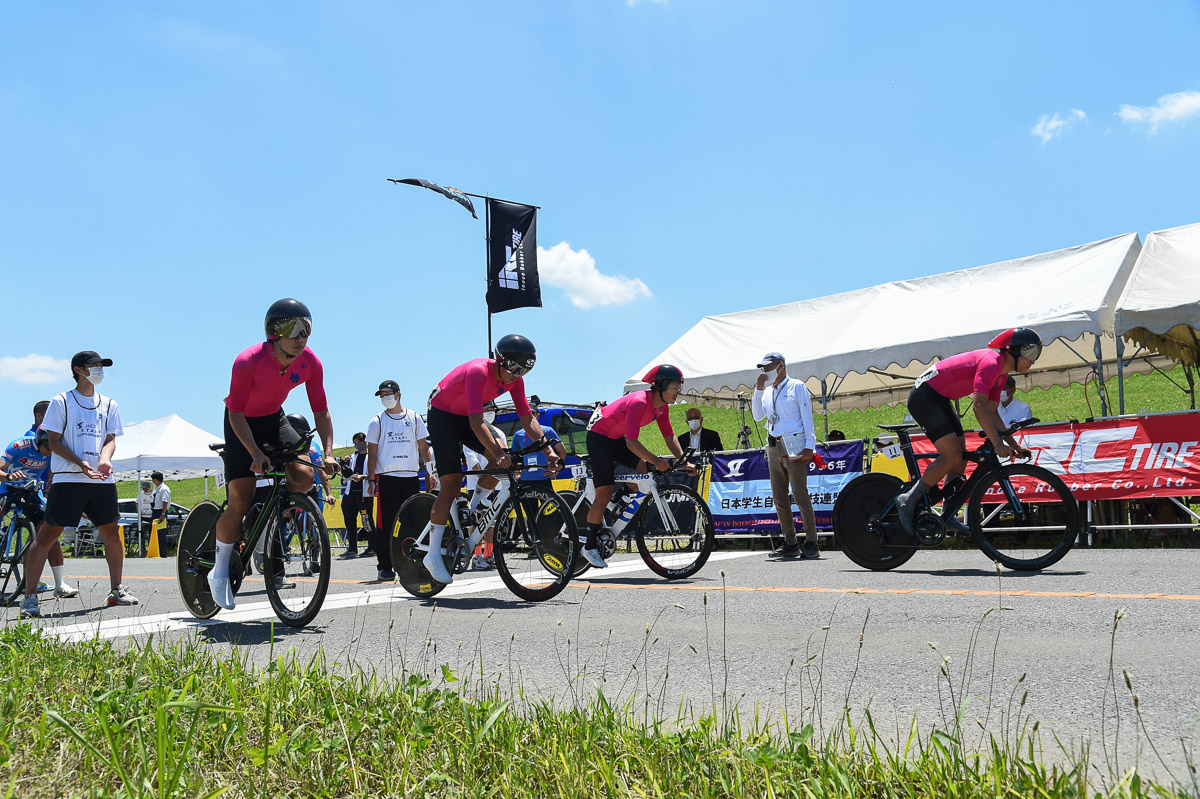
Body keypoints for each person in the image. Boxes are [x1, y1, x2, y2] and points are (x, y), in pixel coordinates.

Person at [209, 299, 336, 611]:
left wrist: (329, 453)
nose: (303, 336)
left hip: (273, 419)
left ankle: (279, 510)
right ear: (275, 333)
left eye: (307, 329)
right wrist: (253, 452)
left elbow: (321, 411)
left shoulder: (311, 362)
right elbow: (236, 413)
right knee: (241, 498)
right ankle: (220, 568)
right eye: (295, 329)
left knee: (304, 476)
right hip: (241, 421)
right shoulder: (247, 361)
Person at [421, 335, 559, 585]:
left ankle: (475, 506)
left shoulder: (516, 381)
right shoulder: (477, 371)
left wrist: (548, 449)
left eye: (525, 370)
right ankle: (431, 555)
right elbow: (476, 423)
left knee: (499, 460)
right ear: (500, 361)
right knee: (452, 483)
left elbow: (527, 418)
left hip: (463, 415)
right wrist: (497, 453)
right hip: (442, 414)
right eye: (515, 369)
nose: (518, 375)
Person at [894, 328, 1042, 536]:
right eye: (1031, 353)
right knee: (951, 456)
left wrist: (1014, 446)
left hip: (940, 397)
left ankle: (948, 514)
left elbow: (992, 412)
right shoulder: (991, 362)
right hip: (924, 396)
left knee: (960, 456)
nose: (1033, 360)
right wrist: (998, 444)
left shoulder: (1002, 375)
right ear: (1013, 351)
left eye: (1037, 354)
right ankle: (907, 500)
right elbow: (979, 407)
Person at [22, 351, 133, 618]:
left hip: (102, 480)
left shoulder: (109, 404)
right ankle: (29, 597)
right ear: (78, 370)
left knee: (111, 533)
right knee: (48, 535)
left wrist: (104, 460)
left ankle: (116, 589)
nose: (99, 371)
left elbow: (110, 438)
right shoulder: (62, 401)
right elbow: (54, 441)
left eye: (101, 366)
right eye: (94, 366)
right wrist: (81, 463)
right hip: (69, 478)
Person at [584, 365, 697, 569]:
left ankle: (620, 499)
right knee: (604, 491)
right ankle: (589, 545)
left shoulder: (661, 407)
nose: (677, 392)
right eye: (674, 387)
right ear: (660, 386)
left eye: (679, 387)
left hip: (615, 438)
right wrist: (656, 460)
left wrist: (683, 461)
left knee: (644, 470)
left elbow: (669, 437)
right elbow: (632, 442)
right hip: (599, 437)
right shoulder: (639, 402)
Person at [752, 352, 820, 559]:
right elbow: (757, 415)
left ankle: (812, 542)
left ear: (781, 366)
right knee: (779, 497)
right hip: (773, 444)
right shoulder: (767, 391)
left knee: (800, 494)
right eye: (763, 368)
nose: (765, 371)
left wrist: (810, 446)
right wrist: (758, 390)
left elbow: (807, 416)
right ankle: (790, 541)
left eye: (769, 367)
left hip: (794, 443)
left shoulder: (797, 386)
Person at [366, 380, 436, 581]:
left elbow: (425, 450)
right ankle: (385, 566)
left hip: (410, 477)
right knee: (386, 525)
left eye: (387, 394)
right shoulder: (376, 421)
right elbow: (372, 455)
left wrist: (430, 473)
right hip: (387, 478)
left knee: (412, 523)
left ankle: (412, 565)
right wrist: (371, 481)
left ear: (398, 394)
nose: (384, 398)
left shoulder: (414, 418)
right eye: (381, 395)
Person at [0, 429, 77, 598]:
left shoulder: (54, 451)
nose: (49, 454)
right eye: (48, 449)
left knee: (50, 532)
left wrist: (51, 483)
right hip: (9, 488)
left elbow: (53, 473)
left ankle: (60, 584)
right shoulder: (19, 446)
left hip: (31, 492)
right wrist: (8, 475)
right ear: (39, 444)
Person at [338, 432, 370, 558]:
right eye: (355, 443)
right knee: (349, 521)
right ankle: (352, 548)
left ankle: (372, 546)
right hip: (350, 492)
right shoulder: (353, 456)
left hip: (364, 493)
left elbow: (374, 472)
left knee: (366, 520)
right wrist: (343, 463)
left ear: (365, 442)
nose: (357, 446)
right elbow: (345, 472)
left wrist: (364, 477)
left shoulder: (371, 457)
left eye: (359, 443)